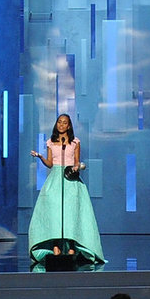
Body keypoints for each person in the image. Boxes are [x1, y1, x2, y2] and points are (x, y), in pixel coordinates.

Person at [28, 113, 103, 266]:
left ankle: (72, 249)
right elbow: (50, 164)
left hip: (70, 179)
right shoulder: (50, 142)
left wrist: (77, 167)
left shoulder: (75, 142)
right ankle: (55, 248)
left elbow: (76, 161)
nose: (61, 125)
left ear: (69, 126)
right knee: (56, 216)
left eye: (65, 123)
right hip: (55, 179)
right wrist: (40, 157)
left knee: (70, 215)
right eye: (59, 122)